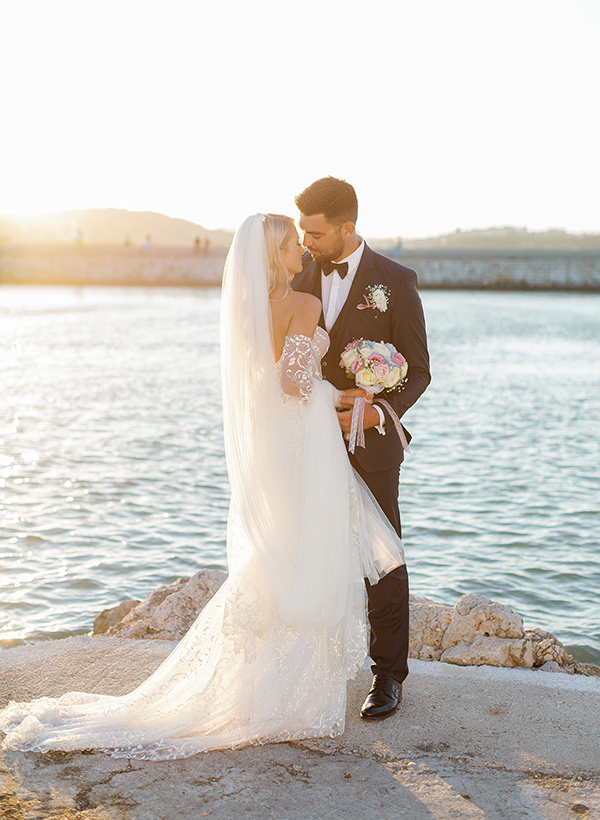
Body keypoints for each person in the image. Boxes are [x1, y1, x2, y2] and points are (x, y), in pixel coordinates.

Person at [0, 213, 405, 759]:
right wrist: (341, 397)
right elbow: (293, 382)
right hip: (303, 442)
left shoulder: (246, 309)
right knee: (320, 550)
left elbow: (267, 382)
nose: (303, 253)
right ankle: (299, 689)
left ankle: (262, 682)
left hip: (270, 444)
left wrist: (336, 395)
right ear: (275, 254)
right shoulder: (304, 305)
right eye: (293, 245)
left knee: (278, 553)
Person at [292, 177, 431, 720]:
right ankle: (311, 664)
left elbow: (417, 371)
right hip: (308, 439)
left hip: (371, 441)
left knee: (382, 558)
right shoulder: (296, 274)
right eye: (302, 230)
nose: (306, 241)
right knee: (309, 549)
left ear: (347, 227)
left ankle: (388, 675)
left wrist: (379, 409)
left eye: (316, 232)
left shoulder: (396, 281)